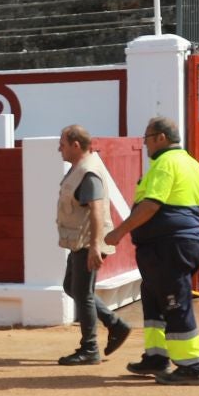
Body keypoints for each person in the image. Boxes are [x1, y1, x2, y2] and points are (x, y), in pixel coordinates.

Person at [104, 116, 199, 386]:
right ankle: (156, 357)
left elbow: (151, 204)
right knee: (153, 298)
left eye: (147, 139)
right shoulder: (193, 165)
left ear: (161, 138)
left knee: (175, 303)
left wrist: (119, 232)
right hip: (181, 243)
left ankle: (191, 366)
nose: (146, 145)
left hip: (169, 247)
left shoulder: (165, 164)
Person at [54, 124, 131, 366]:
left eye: (63, 144)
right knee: (72, 287)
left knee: (83, 294)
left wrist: (95, 246)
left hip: (88, 241)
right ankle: (114, 324)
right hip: (80, 240)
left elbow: (97, 210)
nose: (60, 149)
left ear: (76, 145)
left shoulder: (88, 172)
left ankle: (90, 348)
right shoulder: (81, 168)